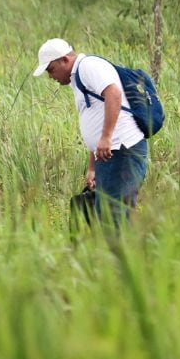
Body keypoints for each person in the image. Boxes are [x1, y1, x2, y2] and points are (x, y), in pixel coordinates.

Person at [33, 38, 149, 223]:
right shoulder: (77, 76)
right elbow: (95, 122)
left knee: (114, 216)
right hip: (109, 154)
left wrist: (106, 137)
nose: (50, 76)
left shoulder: (88, 66)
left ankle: (129, 251)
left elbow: (114, 93)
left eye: (50, 69)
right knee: (105, 215)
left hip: (122, 151)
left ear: (64, 60)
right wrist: (92, 167)